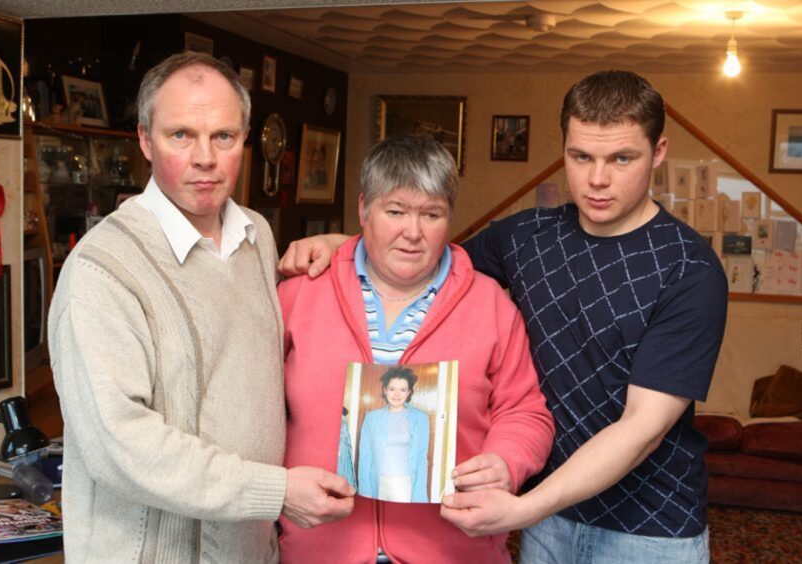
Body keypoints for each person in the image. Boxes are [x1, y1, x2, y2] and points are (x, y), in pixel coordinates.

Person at [279, 71, 728, 563]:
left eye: (622, 158)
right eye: (581, 157)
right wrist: (340, 246)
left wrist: (523, 506)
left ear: (658, 152)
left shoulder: (689, 269)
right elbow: (425, 258)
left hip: (647, 528)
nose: (598, 179)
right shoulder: (527, 237)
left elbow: (643, 428)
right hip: (548, 526)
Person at [48, 52, 353, 563]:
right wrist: (275, 491)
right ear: (145, 140)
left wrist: (346, 248)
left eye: (224, 137)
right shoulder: (100, 269)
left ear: (245, 139)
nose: (205, 157)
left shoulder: (257, 237)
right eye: (181, 135)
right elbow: (120, 445)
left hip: (250, 549)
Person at [277, 134, 554, 563]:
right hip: (322, 547)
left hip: (451, 548)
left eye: (431, 214)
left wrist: (506, 460)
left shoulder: (491, 304)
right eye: (396, 211)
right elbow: (252, 412)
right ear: (363, 209)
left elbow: (525, 410)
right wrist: (278, 489)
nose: (413, 232)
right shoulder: (300, 295)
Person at [357, 367, 431, 503]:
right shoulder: (371, 418)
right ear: (385, 390)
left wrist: (419, 494)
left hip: (406, 483)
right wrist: (365, 490)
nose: (397, 394)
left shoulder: (421, 418)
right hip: (378, 482)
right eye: (392, 389)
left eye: (403, 390)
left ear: (409, 392)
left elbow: (421, 458)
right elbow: (365, 456)